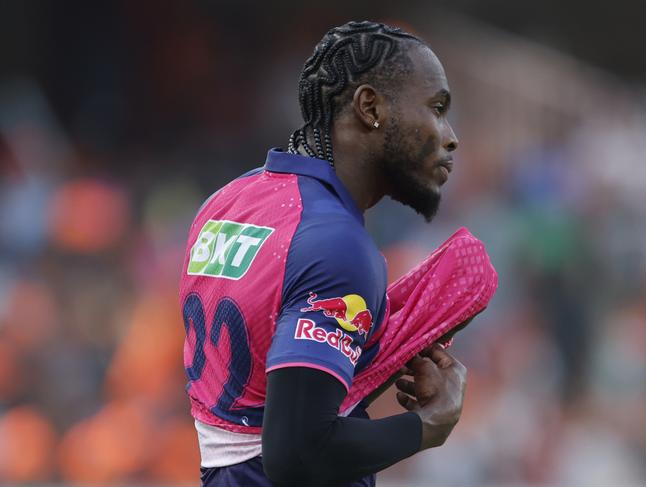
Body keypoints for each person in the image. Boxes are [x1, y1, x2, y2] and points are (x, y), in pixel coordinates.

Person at [180, 20, 469, 486]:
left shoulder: (227, 202)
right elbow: (297, 453)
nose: (450, 135)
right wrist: (430, 425)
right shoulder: (338, 245)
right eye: (436, 109)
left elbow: (265, 389)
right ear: (370, 107)